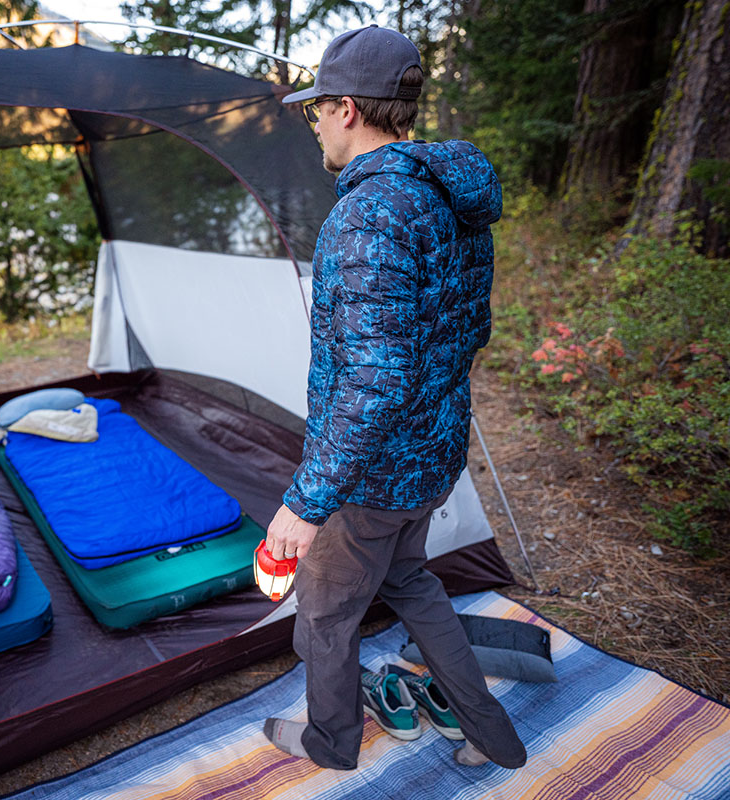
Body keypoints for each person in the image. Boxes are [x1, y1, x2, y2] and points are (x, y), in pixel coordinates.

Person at [261, 24, 528, 771]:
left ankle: (330, 742)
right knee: (410, 580)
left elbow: (375, 381)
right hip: (432, 455)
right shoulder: (447, 196)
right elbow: (469, 328)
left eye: (316, 109)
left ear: (346, 109)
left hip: (374, 477)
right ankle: (493, 737)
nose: (314, 123)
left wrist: (305, 503)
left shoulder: (368, 213)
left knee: (323, 614)